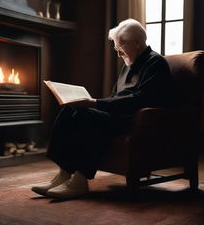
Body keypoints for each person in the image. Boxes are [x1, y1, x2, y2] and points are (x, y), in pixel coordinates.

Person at [31, 18, 174, 199]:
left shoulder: (156, 63)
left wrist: (95, 103)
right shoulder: (127, 66)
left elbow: (141, 100)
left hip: (137, 120)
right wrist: (91, 103)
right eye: (116, 48)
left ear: (138, 43)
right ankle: (63, 174)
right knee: (69, 110)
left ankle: (80, 182)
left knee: (89, 117)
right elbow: (115, 96)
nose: (119, 52)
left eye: (121, 46)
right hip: (117, 115)